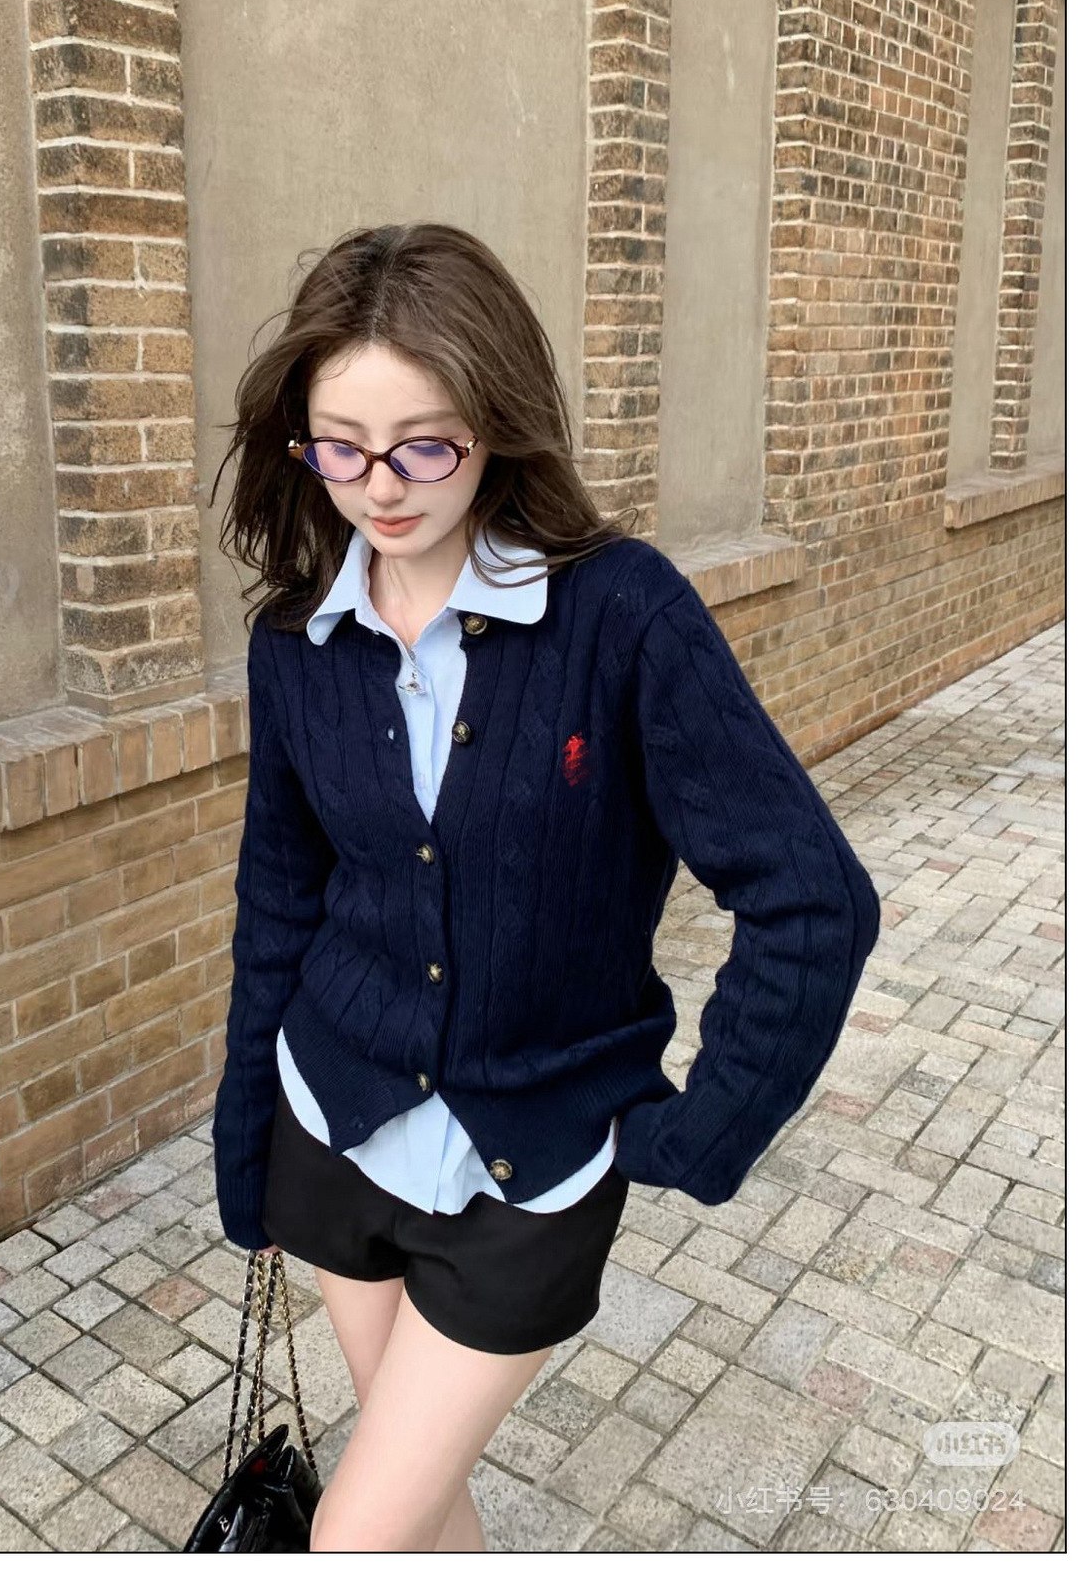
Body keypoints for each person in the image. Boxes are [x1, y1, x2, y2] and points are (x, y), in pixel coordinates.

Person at [208, 222, 881, 1552]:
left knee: (353, 1538)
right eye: (339, 446)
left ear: (498, 424)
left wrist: (701, 1131)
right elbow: (280, 900)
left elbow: (813, 896)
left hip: (531, 1168)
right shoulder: (296, 637)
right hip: (330, 1127)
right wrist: (247, 1149)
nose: (379, 487)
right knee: (421, 1509)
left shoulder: (620, 615)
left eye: (425, 445)